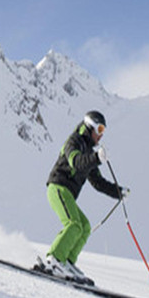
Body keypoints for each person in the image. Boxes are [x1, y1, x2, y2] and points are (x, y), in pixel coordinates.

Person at [40, 110, 129, 283]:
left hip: (68, 194)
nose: (101, 135)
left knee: (85, 227)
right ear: (91, 126)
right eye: (100, 129)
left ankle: (66, 261)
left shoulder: (88, 150)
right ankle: (54, 259)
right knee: (73, 224)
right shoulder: (74, 141)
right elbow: (76, 162)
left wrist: (118, 192)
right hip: (58, 187)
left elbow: (97, 182)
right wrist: (96, 158)